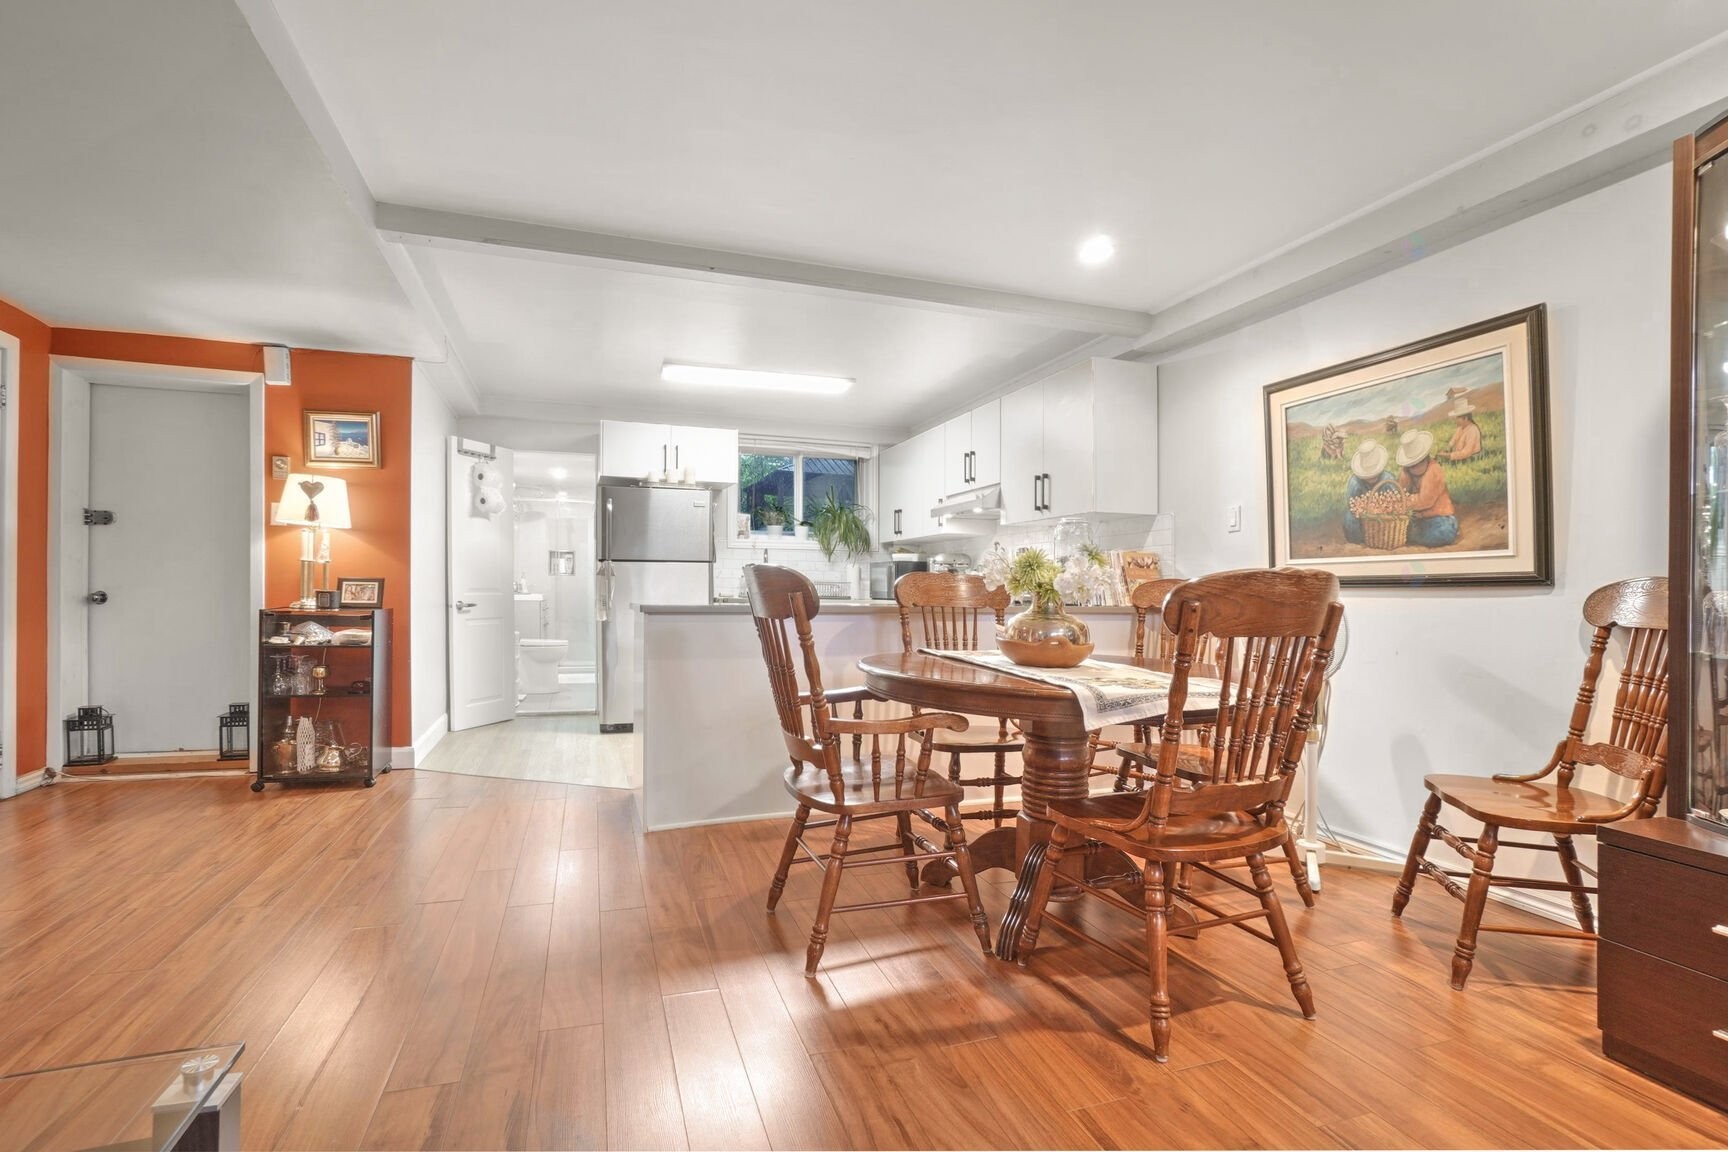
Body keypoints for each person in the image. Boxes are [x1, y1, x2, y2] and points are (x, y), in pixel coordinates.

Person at [1397, 429, 1459, 547]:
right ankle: (1414, 534)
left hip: (1440, 517)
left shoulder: (1433, 470)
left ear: (1426, 458)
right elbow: (1400, 492)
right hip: (1418, 518)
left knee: (1443, 532)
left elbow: (1425, 501)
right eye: (1411, 465)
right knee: (1407, 530)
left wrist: (1405, 501)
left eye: (1419, 463)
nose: (1415, 468)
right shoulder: (1405, 473)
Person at [1342, 438, 1393, 545]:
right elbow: (1352, 506)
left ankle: (1384, 537)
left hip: (1385, 519)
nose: (1371, 477)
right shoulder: (1355, 482)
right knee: (1349, 519)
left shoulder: (1388, 479)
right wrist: (1364, 511)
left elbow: (1396, 504)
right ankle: (1362, 539)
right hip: (1363, 520)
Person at [1438, 395, 1483, 462]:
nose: (1455, 420)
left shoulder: (1473, 430)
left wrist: (1448, 455)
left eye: (1458, 418)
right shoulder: (1460, 428)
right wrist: (1446, 449)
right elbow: (1453, 441)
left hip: (1470, 459)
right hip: (1459, 456)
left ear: (1465, 418)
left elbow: (1466, 453)